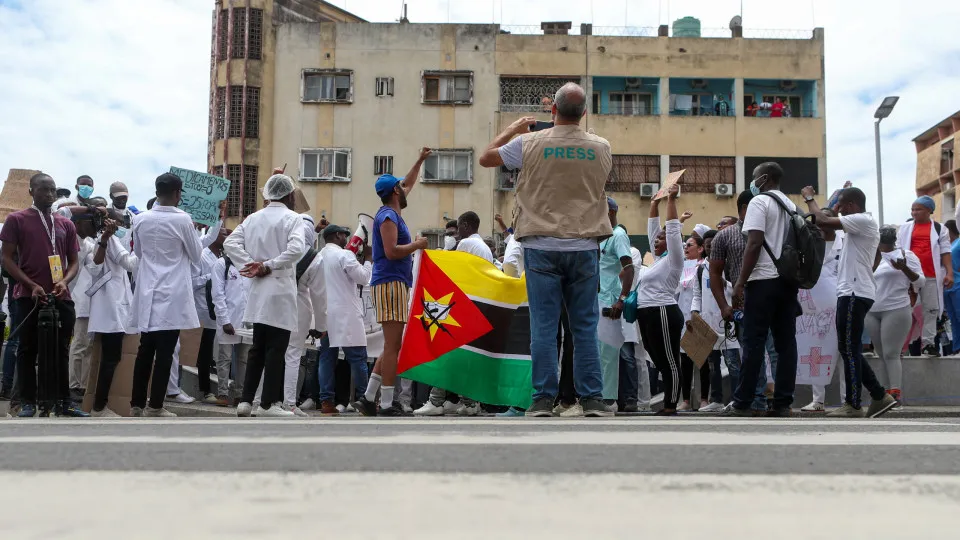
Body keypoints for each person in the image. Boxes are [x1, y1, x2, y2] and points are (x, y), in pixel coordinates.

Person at [477, 82, 613, 417]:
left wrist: (513, 128)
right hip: (584, 244)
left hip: (540, 244)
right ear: (583, 113)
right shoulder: (601, 146)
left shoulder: (528, 143)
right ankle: (592, 398)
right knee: (583, 326)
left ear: (552, 110)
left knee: (543, 326)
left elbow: (485, 158)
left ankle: (542, 399)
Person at [801, 185, 897, 418]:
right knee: (848, 347)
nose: (839, 211)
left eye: (843, 207)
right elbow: (827, 218)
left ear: (852, 206)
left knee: (849, 347)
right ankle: (878, 395)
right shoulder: (856, 226)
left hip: (854, 292)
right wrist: (835, 200)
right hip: (851, 291)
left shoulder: (862, 220)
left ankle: (853, 403)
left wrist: (810, 198)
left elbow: (822, 220)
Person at [129, 173, 220, 417]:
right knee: (165, 352)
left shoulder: (141, 219)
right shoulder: (183, 220)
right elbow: (195, 254)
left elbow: (138, 252)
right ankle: (156, 406)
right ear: (178, 193)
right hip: (172, 292)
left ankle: (137, 403)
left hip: (148, 290)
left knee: (144, 350)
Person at [0, 173, 88, 417]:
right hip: (27, 296)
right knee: (28, 349)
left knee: (62, 348)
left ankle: (64, 402)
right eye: (43, 190)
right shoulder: (16, 220)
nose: (49, 194)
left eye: (52, 190)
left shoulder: (65, 224)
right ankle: (27, 402)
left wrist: (64, 281)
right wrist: (30, 285)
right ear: (31, 191)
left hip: (60, 295)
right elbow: (6, 258)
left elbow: (73, 261)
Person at [353, 147, 430, 417]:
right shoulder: (388, 216)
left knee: (391, 344)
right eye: (401, 186)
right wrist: (417, 244)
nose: (405, 187)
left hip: (392, 282)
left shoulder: (391, 210)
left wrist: (419, 160)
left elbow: (408, 182)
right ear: (395, 192)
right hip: (390, 282)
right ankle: (386, 404)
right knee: (392, 345)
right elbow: (390, 251)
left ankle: (368, 398)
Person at [721, 163, 801, 417]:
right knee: (786, 343)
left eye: (754, 178)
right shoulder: (791, 205)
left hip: (763, 280)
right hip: (787, 281)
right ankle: (782, 403)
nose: (752, 183)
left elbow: (754, 243)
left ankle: (743, 401)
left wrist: (740, 282)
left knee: (753, 342)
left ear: (763, 178)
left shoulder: (759, 203)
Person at [224, 174, 307, 418]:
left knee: (257, 347)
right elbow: (296, 249)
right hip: (279, 290)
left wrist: (251, 264)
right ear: (290, 195)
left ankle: (246, 401)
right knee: (275, 349)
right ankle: (268, 404)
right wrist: (268, 265)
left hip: (259, 290)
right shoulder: (293, 218)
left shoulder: (253, 218)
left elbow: (230, 244)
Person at [635, 184, 684, 415]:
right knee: (656, 357)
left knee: (670, 360)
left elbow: (672, 230)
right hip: (646, 313)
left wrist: (671, 200)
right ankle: (669, 401)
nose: (657, 240)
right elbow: (652, 231)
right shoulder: (658, 258)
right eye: (656, 240)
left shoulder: (674, 259)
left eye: (661, 239)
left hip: (663, 310)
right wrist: (654, 203)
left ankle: (670, 404)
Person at [865, 226, 923, 408]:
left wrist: (904, 268)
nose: (883, 244)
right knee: (880, 354)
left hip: (896, 308)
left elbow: (920, 281)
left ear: (893, 240)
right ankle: (883, 395)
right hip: (872, 310)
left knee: (891, 353)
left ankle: (895, 393)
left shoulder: (907, 255)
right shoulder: (870, 256)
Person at [317, 224, 372, 416]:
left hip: (324, 314)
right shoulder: (344, 255)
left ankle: (326, 401)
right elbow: (364, 278)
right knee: (357, 358)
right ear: (337, 236)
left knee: (326, 358)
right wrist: (368, 260)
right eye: (343, 235)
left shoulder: (318, 256)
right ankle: (366, 399)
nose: (346, 240)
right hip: (346, 314)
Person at [86, 218, 139, 417]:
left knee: (109, 358)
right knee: (110, 359)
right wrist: (148, 247)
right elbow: (130, 264)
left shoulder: (108, 239)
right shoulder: (108, 240)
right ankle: (99, 407)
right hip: (111, 309)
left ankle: (99, 404)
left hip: (113, 308)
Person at [802, 208, 846, 412]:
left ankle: (848, 401)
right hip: (814, 312)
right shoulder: (810, 245)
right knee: (815, 353)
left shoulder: (845, 244)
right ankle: (818, 400)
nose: (821, 225)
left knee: (845, 355)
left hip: (842, 307)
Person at [898, 196, 954, 357]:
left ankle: (928, 344)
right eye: (913, 209)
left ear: (929, 210)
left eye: (918, 209)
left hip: (931, 276)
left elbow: (945, 252)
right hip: (909, 277)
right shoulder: (905, 228)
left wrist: (949, 273)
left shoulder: (939, 228)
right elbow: (898, 250)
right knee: (904, 310)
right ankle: (900, 346)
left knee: (931, 310)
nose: (914, 212)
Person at [693, 229, 740, 412]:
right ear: (704, 248)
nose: (711, 247)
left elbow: (734, 289)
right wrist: (694, 312)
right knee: (712, 364)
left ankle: (737, 399)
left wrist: (724, 283)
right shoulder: (700, 269)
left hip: (727, 320)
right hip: (707, 322)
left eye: (714, 244)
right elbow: (697, 294)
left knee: (732, 362)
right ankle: (717, 399)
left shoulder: (727, 266)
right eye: (707, 245)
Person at [66, 196, 107, 400]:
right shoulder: (66, 233)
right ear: (81, 220)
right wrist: (90, 208)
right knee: (79, 343)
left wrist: (105, 240)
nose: (96, 225)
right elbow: (61, 211)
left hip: (92, 301)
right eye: (94, 220)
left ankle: (83, 386)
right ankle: (72, 384)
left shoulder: (90, 243)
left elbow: (94, 266)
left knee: (89, 346)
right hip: (76, 299)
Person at [210, 242, 251, 407]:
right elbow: (217, 294)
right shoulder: (222, 264)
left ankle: (240, 394)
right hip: (228, 319)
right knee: (224, 358)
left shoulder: (249, 264)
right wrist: (225, 320)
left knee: (244, 359)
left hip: (247, 321)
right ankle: (223, 393)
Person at [194, 225, 227, 406]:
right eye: (222, 233)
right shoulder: (201, 255)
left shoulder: (223, 256)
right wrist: (211, 277)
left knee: (218, 353)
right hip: (203, 311)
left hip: (220, 311)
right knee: (203, 353)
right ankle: (205, 390)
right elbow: (191, 281)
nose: (225, 235)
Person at [678, 235, 710, 411]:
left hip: (699, 315)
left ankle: (704, 398)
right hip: (682, 317)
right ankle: (686, 400)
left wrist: (696, 314)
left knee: (702, 359)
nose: (686, 248)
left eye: (689, 245)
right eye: (685, 245)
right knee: (685, 360)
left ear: (700, 249)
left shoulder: (703, 267)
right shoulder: (682, 267)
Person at [945, 220, 960, 355]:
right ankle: (957, 348)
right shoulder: (947, 246)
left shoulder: (959, 243)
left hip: (958, 285)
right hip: (947, 288)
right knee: (953, 319)